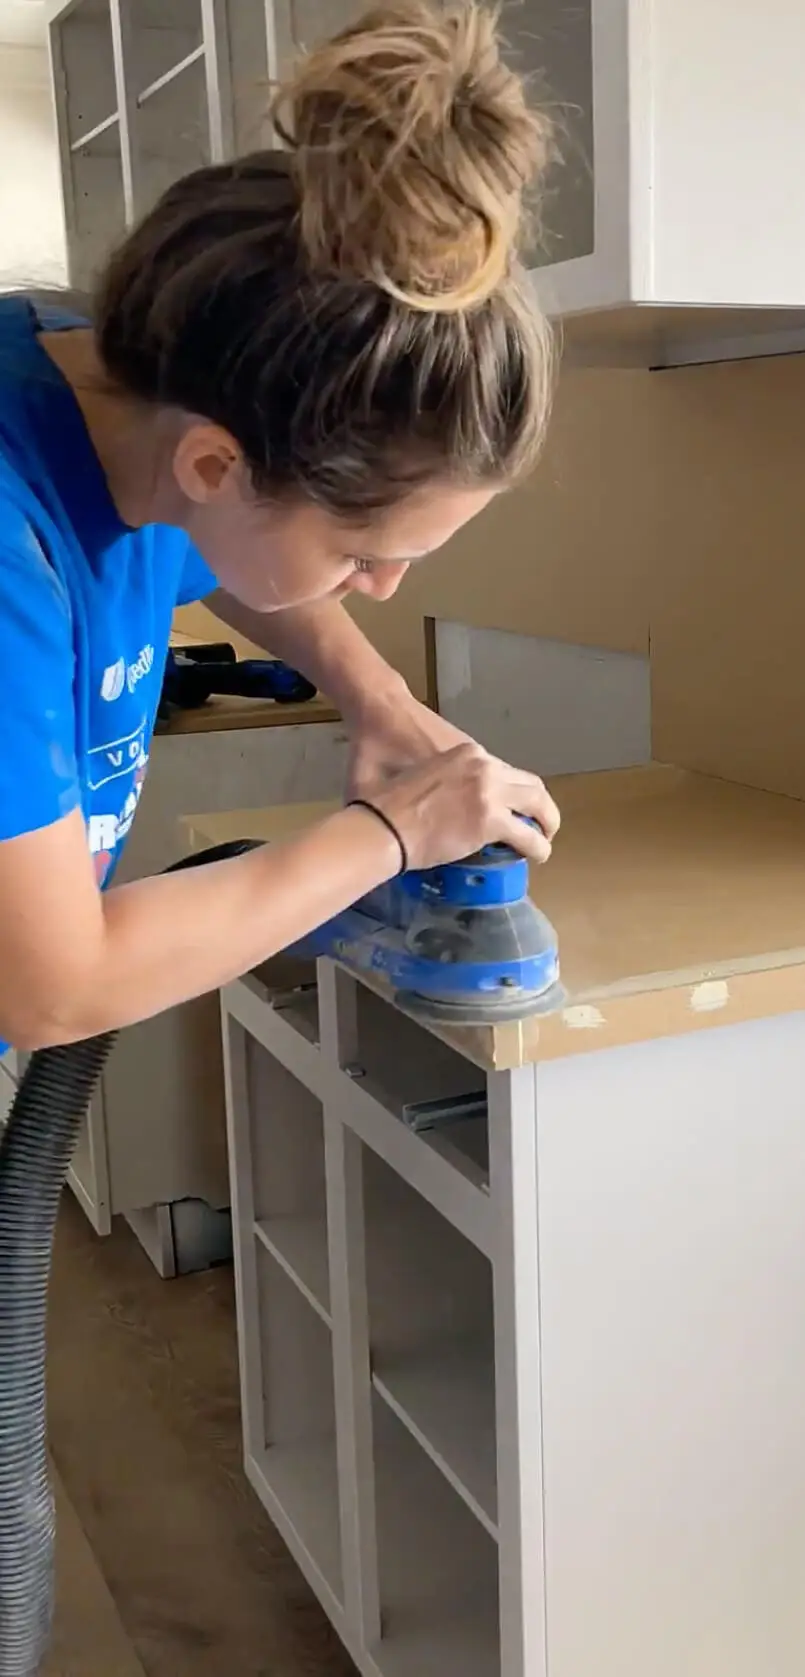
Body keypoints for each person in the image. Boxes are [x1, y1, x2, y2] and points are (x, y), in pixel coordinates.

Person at [0, 0, 561, 1051]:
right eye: (361, 554)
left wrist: (374, 695)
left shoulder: (140, 391)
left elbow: (207, 541)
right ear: (216, 461)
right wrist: (392, 834)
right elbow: (49, 994)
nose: (381, 587)